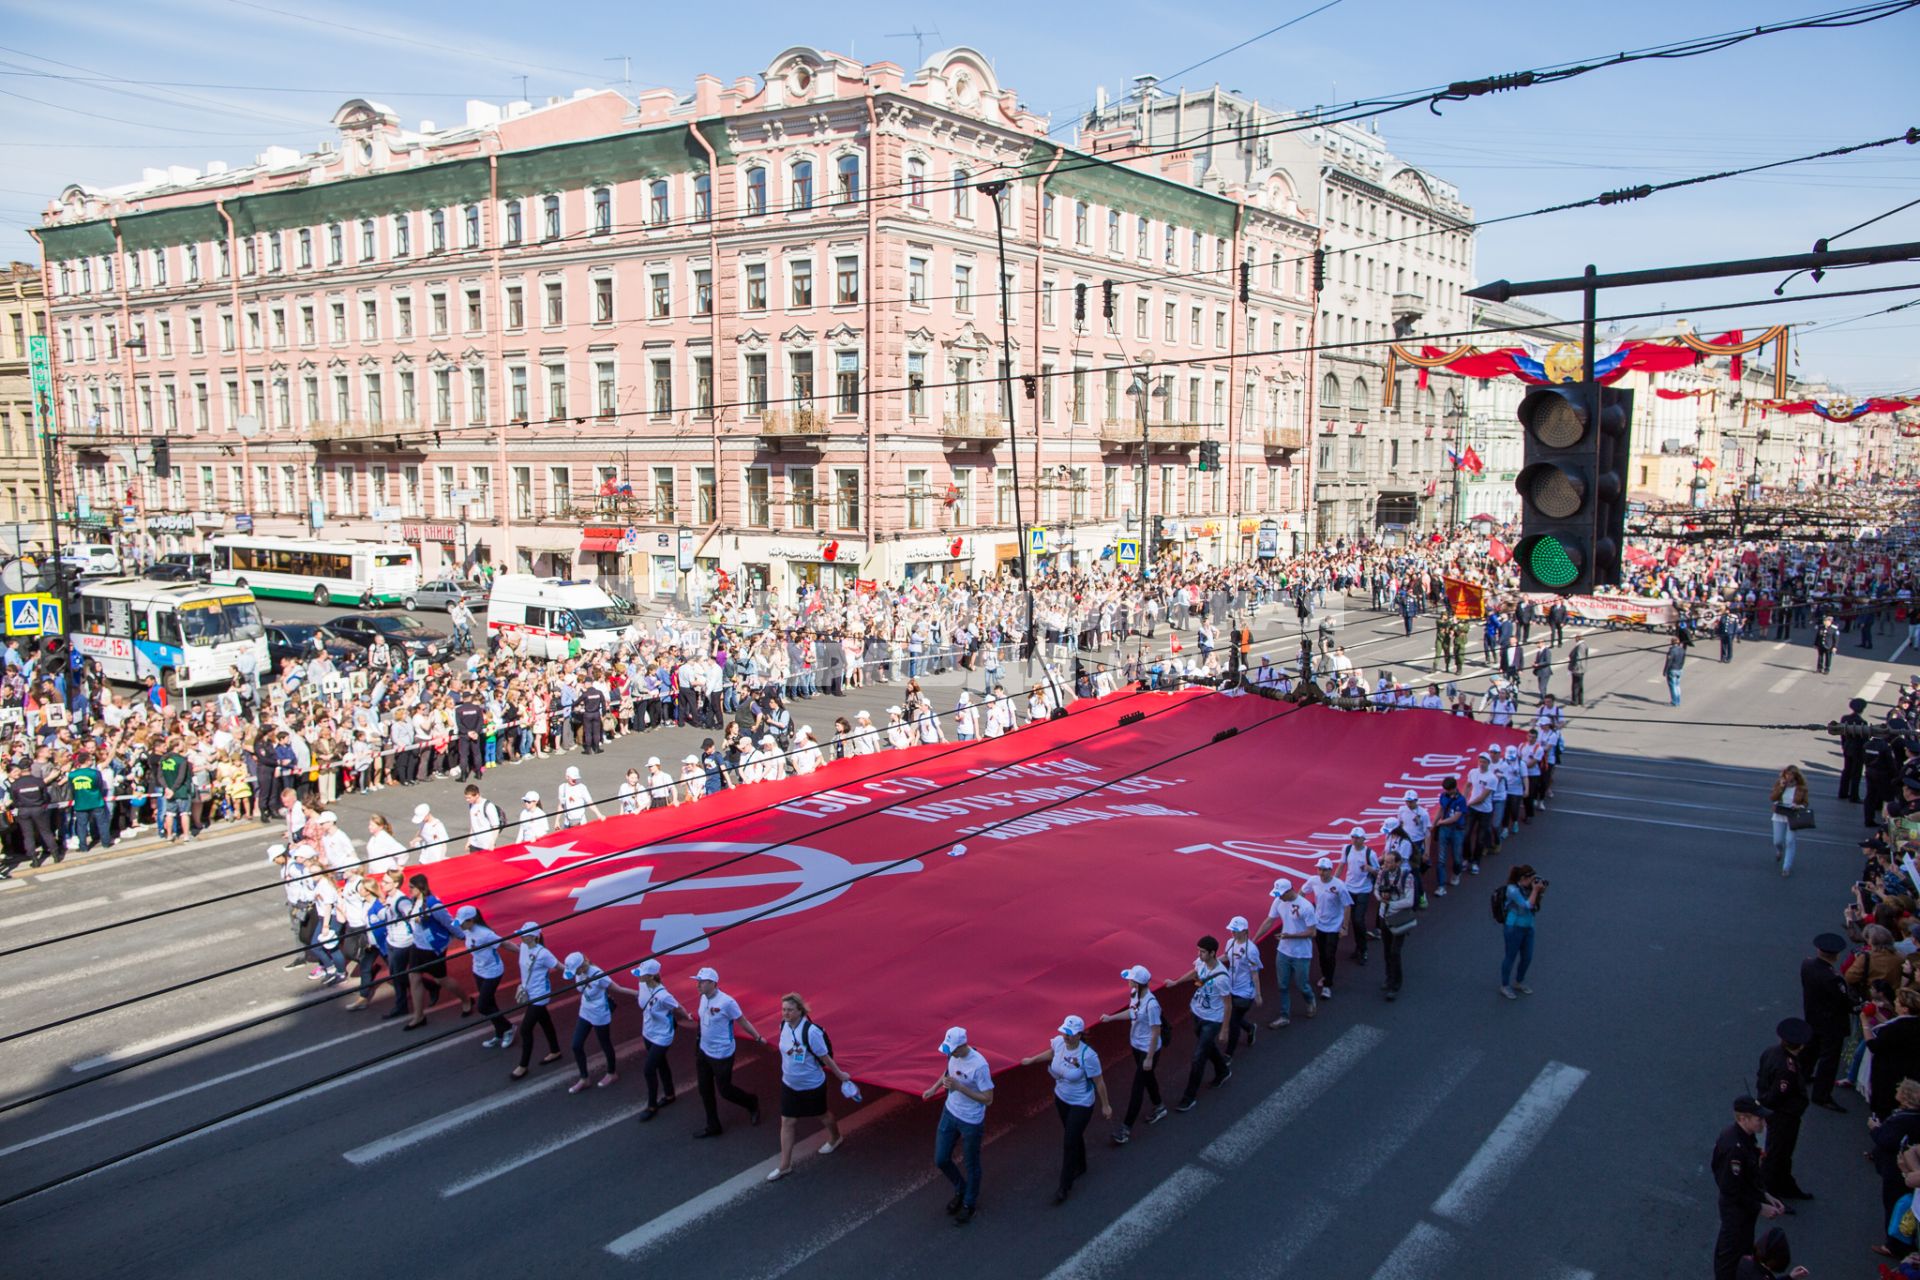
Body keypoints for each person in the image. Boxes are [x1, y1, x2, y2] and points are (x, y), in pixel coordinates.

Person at [1020, 1014, 1109, 1203]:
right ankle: (1081, 1164)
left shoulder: (1088, 1056)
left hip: (1082, 1103)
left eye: (1070, 1034)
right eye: (1065, 1033)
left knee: (1069, 1141)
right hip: (1061, 1098)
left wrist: (1106, 1105)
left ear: (1079, 1035)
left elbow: (1099, 1082)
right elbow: (1051, 1053)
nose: (1066, 1036)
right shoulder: (1059, 1043)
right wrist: (1032, 1060)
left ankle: (1064, 1186)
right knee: (1072, 1134)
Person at [766, 992, 852, 1181]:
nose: (785, 1013)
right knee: (787, 1121)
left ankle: (835, 1137)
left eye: (789, 1010)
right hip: (789, 1084)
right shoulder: (784, 1026)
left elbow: (825, 1058)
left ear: (800, 1010)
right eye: (783, 1010)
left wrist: (842, 1076)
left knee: (822, 1114)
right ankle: (785, 1165)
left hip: (812, 1085)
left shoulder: (811, 1032)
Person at [923, 1025, 992, 1225]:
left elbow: (988, 1098)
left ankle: (969, 1203)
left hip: (971, 1120)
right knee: (941, 1159)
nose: (950, 1053)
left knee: (972, 1164)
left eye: (952, 1049)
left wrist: (960, 1088)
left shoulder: (979, 1066)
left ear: (962, 1046)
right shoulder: (952, 1056)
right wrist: (934, 1088)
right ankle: (960, 1188)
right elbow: (948, 1073)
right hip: (950, 1112)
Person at [686, 965, 764, 1138]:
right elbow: (704, 1017)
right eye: (697, 981)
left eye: (701, 982)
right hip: (704, 1051)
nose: (697, 985)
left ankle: (751, 1102)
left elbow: (742, 1021)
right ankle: (713, 1125)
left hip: (721, 1054)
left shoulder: (727, 1002)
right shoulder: (703, 997)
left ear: (713, 983)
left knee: (725, 1090)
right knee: (704, 1089)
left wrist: (758, 1037)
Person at [1711, 1095, 1784, 1280]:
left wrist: (1765, 1195)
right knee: (1731, 1258)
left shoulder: (1746, 1138)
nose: (1763, 1123)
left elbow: (1749, 1177)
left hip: (1744, 1210)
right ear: (1743, 1119)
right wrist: (1760, 1207)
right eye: (1758, 1119)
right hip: (1736, 1211)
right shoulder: (1734, 1148)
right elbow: (1731, 1190)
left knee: (1743, 1251)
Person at [1099, 964, 1165, 1144]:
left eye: (1130, 979)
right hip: (1137, 1046)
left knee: (1138, 1087)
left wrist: (1150, 1058)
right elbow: (1132, 1013)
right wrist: (1111, 1018)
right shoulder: (1135, 995)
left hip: (1147, 1049)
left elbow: (1156, 1032)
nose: (1127, 981)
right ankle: (1159, 1106)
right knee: (1148, 1078)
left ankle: (1125, 1129)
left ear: (1137, 983)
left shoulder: (1152, 1005)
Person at [1754, 1017, 1813, 1202]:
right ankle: (1769, 1194)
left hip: (1777, 1113)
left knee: (1783, 1153)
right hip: (1783, 1116)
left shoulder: (1771, 1052)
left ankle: (1785, 1184)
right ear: (1800, 1046)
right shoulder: (1787, 1068)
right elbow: (1777, 1095)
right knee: (1777, 1154)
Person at [1173, 934, 1231, 1110]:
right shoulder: (1201, 963)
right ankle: (1222, 1070)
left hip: (1212, 1020)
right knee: (1207, 1047)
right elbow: (1195, 973)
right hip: (1198, 1012)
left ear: (1213, 953)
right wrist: (1176, 982)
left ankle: (1189, 1097)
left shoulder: (1222, 977)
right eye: (1199, 950)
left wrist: (1224, 1029)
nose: (1199, 954)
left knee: (1198, 1058)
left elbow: (1228, 1004)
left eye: (1203, 952)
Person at [1799, 931, 1852, 1111]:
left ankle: (1803, 1074)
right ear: (1836, 955)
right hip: (1832, 1023)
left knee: (1810, 1048)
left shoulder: (1807, 965)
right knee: (1829, 1059)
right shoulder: (1833, 978)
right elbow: (1844, 1002)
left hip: (1812, 1015)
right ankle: (1822, 1095)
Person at [1255, 879, 1318, 1028]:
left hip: (1301, 953)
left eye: (1282, 894)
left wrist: (1289, 936)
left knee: (1302, 984)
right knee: (1282, 985)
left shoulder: (1306, 906)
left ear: (1290, 891)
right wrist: (1254, 939)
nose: (1279, 897)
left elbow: (1312, 932)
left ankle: (1310, 1000)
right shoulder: (1278, 901)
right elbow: (1269, 921)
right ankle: (1284, 1015)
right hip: (1283, 950)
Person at [561, 949, 624, 1092]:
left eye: (576, 970)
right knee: (576, 1045)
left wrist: (639, 994)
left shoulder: (598, 974)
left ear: (582, 966)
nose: (575, 974)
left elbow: (617, 988)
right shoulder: (580, 974)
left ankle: (611, 1072)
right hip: (585, 1010)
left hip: (600, 1012)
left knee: (604, 1043)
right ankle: (584, 1078)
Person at [509, 921, 564, 1080]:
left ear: (533, 937)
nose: (521, 937)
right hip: (529, 991)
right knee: (545, 1021)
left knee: (525, 1029)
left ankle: (523, 1065)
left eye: (524, 935)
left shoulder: (543, 953)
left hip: (540, 994)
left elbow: (559, 966)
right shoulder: (524, 947)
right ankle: (555, 1050)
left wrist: (579, 973)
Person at [453, 904, 513, 1047]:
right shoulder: (467, 930)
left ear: (472, 920)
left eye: (462, 923)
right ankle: (499, 1033)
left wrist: (524, 951)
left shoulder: (485, 934)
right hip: (478, 970)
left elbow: (505, 944)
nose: (460, 926)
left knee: (483, 1006)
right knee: (490, 1004)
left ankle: (508, 1028)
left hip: (492, 972)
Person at [631, 959, 682, 1121]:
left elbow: (678, 1007)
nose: (638, 977)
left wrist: (690, 1018)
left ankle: (651, 1105)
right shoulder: (642, 985)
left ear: (651, 977)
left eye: (641, 975)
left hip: (662, 1036)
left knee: (649, 1069)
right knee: (661, 1064)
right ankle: (669, 1094)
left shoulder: (663, 995)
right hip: (648, 1032)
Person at [1304, 856, 1352, 999]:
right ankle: (1325, 975)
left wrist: (1344, 926)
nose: (1321, 872)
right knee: (1321, 954)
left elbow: (1347, 905)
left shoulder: (1339, 885)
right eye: (1319, 869)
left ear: (1330, 870)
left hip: (1334, 925)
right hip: (1319, 924)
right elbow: (1302, 892)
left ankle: (1327, 985)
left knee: (1330, 954)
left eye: (1324, 870)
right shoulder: (1313, 881)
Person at [1376, 838, 1416, 1000]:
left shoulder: (1407, 877)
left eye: (1390, 862)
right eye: (1385, 862)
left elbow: (1409, 900)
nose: (1386, 865)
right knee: (1386, 949)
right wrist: (1381, 899)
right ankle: (1388, 976)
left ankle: (1396, 983)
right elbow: (1376, 890)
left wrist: (1390, 904)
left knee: (1395, 951)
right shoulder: (1382, 874)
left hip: (1398, 917)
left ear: (1398, 863)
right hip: (1383, 916)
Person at [1498, 864, 1545, 1000]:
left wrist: (1539, 891)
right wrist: (1535, 891)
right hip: (1513, 928)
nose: (1533, 881)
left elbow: (1535, 906)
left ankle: (1519, 981)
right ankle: (1505, 985)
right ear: (1524, 878)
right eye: (1532, 878)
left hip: (1528, 926)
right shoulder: (1512, 890)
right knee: (1510, 957)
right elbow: (1527, 905)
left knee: (1527, 957)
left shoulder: (1528, 888)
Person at [1221, 915, 1262, 1054]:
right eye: (1232, 930)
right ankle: (1250, 1028)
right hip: (1230, 987)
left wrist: (1258, 994)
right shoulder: (1230, 942)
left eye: (1236, 930)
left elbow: (1255, 973)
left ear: (1245, 931)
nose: (1233, 932)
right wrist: (1212, 961)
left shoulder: (1251, 950)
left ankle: (1229, 1054)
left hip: (1244, 991)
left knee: (1233, 1022)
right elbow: (1226, 956)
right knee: (1229, 1016)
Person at [1768, 765, 1809, 878]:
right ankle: (1779, 851)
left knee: (1790, 841)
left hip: (1793, 815)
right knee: (1778, 841)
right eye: (1787, 774)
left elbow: (1805, 803)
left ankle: (1786, 867)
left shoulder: (1801, 788)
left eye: (1791, 774)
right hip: (1779, 814)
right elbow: (1772, 798)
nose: (1788, 776)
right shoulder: (1780, 783)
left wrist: (1799, 806)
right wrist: (1781, 787)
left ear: (1796, 776)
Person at [1839, 696, 1869, 801]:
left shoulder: (1845, 718)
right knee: (1856, 772)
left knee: (1846, 770)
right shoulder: (1862, 723)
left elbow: (1842, 734)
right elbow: (1864, 739)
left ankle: (1842, 792)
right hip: (1858, 749)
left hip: (1847, 746)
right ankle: (1854, 795)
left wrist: (1844, 744)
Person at [1664, 634, 1687, 707]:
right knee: (1677, 685)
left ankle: (1674, 702)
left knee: (1672, 686)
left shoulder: (1672, 651)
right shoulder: (1682, 650)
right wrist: (1680, 667)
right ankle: (1678, 700)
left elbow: (1669, 661)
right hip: (1679, 669)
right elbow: (1683, 660)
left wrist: (1665, 670)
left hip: (1672, 669)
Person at [1566, 635, 1588, 707]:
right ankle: (1580, 700)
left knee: (1576, 685)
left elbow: (1579, 658)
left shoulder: (1580, 646)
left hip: (1578, 669)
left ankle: (1575, 701)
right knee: (1580, 684)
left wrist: (1575, 668)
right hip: (1581, 668)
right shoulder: (1584, 645)